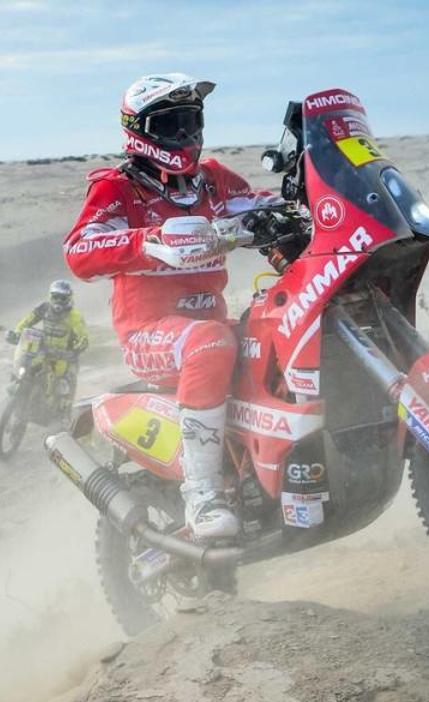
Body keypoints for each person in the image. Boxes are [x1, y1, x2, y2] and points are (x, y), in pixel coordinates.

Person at [62, 73, 279, 542]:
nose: (183, 133)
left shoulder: (213, 180)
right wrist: (147, 242)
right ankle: (203, 495)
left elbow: (260, 204)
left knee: (276, 328)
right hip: (148, 333)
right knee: (210, 342)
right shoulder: (118, 189)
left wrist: (308, 202)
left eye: (189, 120)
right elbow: (79, 250)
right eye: (169, 124)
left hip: (210, 323)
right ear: (138, 130)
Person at [6, 280, 89, 424]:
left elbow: (83, 336)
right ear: (50, 296)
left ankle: (63, 416)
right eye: (56, 296)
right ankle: (18, 394)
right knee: (25, 368)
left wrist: (78, 348)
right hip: (42, 349)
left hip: (64, 356)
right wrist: (17, 333)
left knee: (64, 383)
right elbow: (27, 321)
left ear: (69, 298)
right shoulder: (43, 308)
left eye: (63, 298)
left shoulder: (74, 316)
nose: (58, 301)